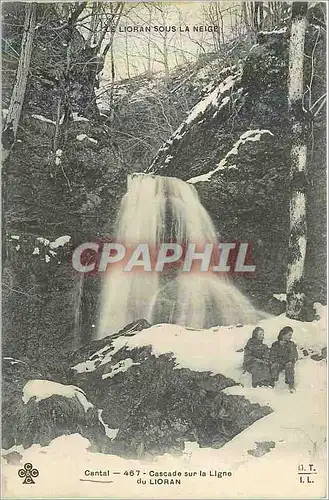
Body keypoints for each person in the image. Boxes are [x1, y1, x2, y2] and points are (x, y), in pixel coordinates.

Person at [270, 326, 298, 392]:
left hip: (287, 362)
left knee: (289, 365)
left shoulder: (291, 344)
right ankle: (272, 383)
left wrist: (291, 360)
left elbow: (294, 355)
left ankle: (291, 385)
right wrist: (276, 361)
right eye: (289, 335)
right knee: (274, 366)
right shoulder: (275, 344)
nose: (290, 337)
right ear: (283, 335)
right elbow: (272, 355)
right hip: (278, 363)